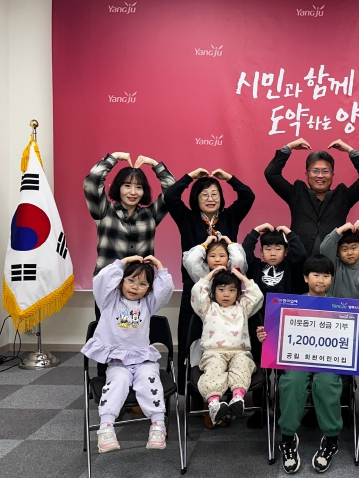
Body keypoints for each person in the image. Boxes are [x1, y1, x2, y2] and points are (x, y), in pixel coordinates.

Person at [257, 255, 359, 474]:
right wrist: (265, 335)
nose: (321, 280)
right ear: (305, 278)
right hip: (298, 360)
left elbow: (355, 340)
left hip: (329, 362)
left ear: (332, 279)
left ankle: (331, 439)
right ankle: (287, 438)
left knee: (326, 383)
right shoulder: (290, 304)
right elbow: (276, 338)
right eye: (316, 275)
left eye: (326, 275)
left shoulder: (342, 306)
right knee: (291, 381)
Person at [164, 167, 255, 403]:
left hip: (227, 290)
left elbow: (248, 196)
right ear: (196, 199)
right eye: (204, 194)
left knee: (229, 343)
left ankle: (229, 396)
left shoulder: (229, 217)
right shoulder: (187, 218)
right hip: (196, 289)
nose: (210, 198)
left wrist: (229, 178)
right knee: (192, 339)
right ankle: (196, 397)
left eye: (215, 193)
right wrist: (190, 177)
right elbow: (171, 196)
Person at [84, 152, 175, 382]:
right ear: (118, 188)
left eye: (139, 187)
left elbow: (172, 192)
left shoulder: (150, 215)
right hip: (110, 291)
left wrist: (156, 165)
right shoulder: (104, 211)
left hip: (139, 290)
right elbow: (92, 181)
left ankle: (136, 383)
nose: (133, 192)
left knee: (135, 337)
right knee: (108, 339)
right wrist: (114, 158)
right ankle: (107, 384)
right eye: (127, 186)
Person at [80, 255, 174, 453]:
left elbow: (165, 291)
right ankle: (106, 429)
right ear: (121, 281)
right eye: (130, 280)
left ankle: (158, 425)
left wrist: (160, 266)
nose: (135, 287)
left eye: (142, 284)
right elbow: (102, 280)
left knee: (149, 380)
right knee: (117, 383)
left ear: (149, 289)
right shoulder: (109, 300)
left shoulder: (148, 303)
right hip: (118, 363)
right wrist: (121, 263)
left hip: (143, 360)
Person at [265, 138, 359, 255]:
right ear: (307, 174)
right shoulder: (296, 194)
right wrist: (289, 147)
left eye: (325, 171)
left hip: (334, 262)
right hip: (299, 261)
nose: (320, 176)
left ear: (332, 175)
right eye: (315, 171)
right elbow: (271, 173)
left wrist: (350, 150)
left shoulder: (343, 197)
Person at [191, 266, 264, 425]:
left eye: (232, 290)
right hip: (213, 353)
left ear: (238, 293)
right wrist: (212, 274)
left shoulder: (243, 307)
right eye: (221, 289)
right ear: (213, 291)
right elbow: (197, 290)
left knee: (243, 366)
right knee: (214, 370)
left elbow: (257, 294)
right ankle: (214, 404)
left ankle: (238, 398)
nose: (226, 294)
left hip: (239, 352)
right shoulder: (207, 307)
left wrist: (241, 276)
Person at [242, 223, 308, 303]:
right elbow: (244, 253)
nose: (273, 253)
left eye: (278, 249)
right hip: (259, 310)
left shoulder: (291, 268)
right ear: (261, 252)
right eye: (268, 249)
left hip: (285, 308)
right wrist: (256, 230)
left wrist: (290, 234)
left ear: (286, 252)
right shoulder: (256, 267)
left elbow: (301, 255)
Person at [319, 223, 359, 298]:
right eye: (344, 249)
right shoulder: (334, 264)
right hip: (333, 305)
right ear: (337, 252)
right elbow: (324, 248)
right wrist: (340, 230)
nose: (350, 253)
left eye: (353, 248)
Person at [183, 233, 247, 284]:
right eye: (212, 256)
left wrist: (230, 244)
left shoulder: (233, 273)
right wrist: (205, 244)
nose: (217, 260)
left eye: (222, 256)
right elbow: (190, 261)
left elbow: (239, 259)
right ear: (206, 258)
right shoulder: (203, 276)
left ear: (229, 257)